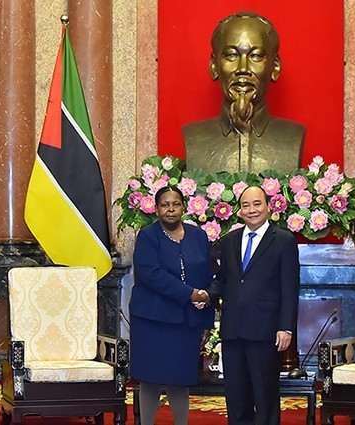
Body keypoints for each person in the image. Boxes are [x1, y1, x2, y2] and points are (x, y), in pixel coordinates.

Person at [202, 185, 300, 425]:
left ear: (268, 207)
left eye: (257, 204)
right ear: (239, 211)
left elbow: (290, 287)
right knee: (236, 397)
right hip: (233, 330)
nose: (252, 210)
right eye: (246, 205)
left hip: (265, 331)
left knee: (265, 396)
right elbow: (224, 279)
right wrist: (205, 296)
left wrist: (285, 328)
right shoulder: (230, 240)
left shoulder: (284, 240)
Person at [129, 186, 214, 425]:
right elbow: (151, 274)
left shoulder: (198, 236)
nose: (170, 209)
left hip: (187, 321)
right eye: (165, 205)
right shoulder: (147, 235)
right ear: (156, 209)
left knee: (180, 377)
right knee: (150, 378)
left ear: (183, 207)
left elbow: (206, 276)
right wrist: (190, 294)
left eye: (175, 204)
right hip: (152, 319)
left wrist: (206, 321)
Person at [183, 11, 306, 174]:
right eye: (231, 55)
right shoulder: (194, 137)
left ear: (275, 67)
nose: (243, 69)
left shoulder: (293, 136)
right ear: (214, 65)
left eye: (255, 56)